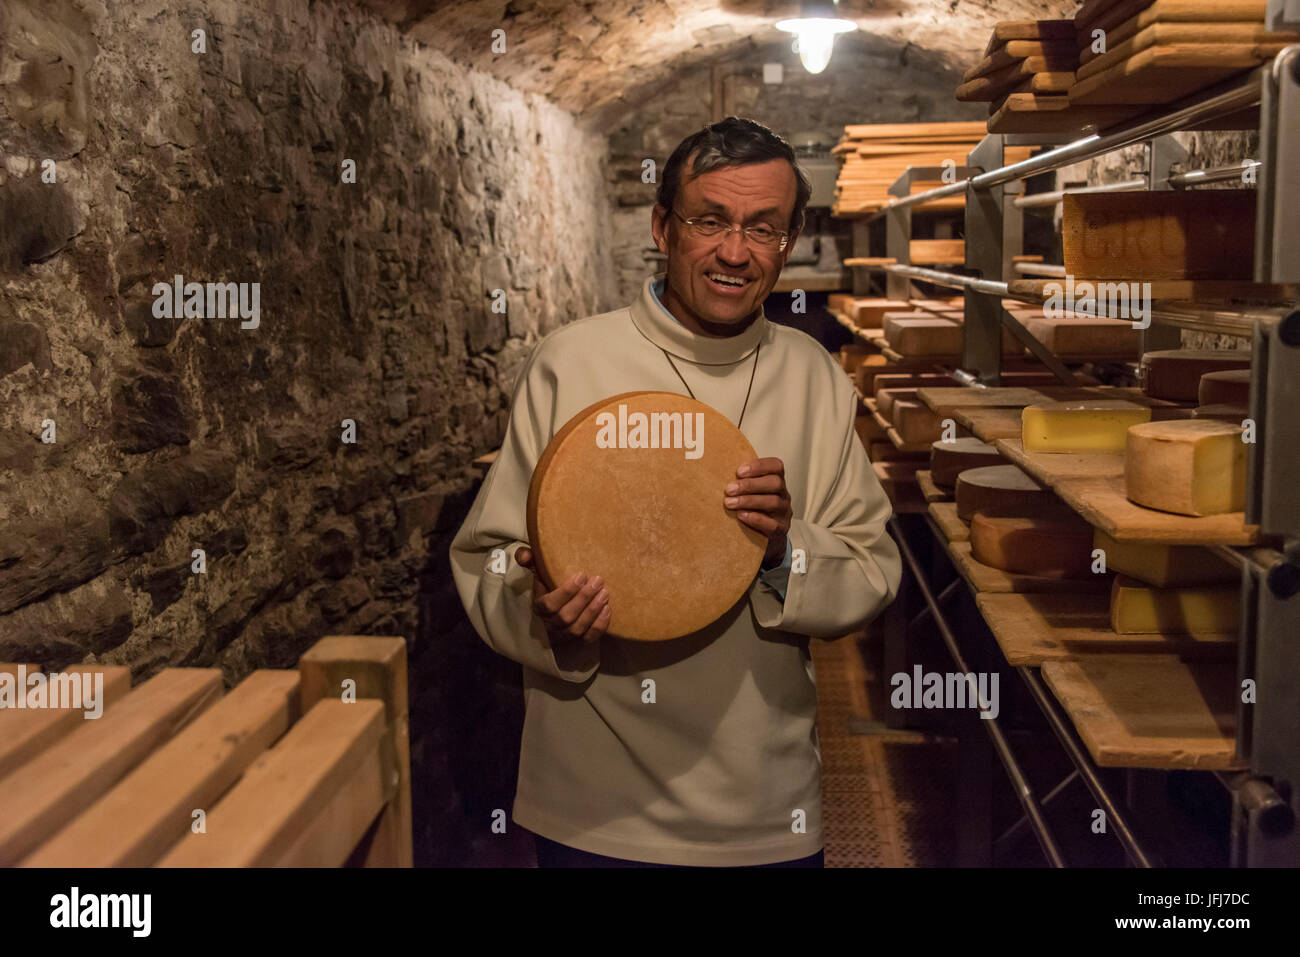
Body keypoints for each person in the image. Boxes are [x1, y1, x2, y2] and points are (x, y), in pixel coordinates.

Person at [449, 116, 901, 868]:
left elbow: (872, 566)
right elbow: (488, 557)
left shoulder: (816, 376)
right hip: (592, 801)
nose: (735, 252)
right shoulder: (572, 362)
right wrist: (545, 612)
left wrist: (783, 549)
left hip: (763, 801)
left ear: (788, 243)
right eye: (710, 221)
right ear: (663, 226)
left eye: (764, 228)